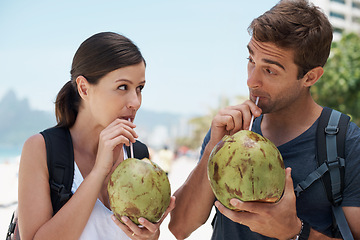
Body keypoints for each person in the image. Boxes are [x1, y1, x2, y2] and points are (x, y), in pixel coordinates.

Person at [169, 0, 360, 239]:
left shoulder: (347, 143)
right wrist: (211, 149)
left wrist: (295, 232)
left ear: (310, 77)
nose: (252, 80)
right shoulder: (231, 132)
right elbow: (179, 227)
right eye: (251, 61)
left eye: (270, 70)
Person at [17, 32, 175, 240]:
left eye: (139, 88)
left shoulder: (138, 154)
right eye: (122, 87)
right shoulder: (42, 149)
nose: (135, 101)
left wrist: (149, 236)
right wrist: (99, 171)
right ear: (83, 88)